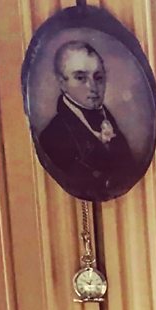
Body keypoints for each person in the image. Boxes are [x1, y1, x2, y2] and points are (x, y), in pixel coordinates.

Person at [36, 40, 135, 199]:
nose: (92, 87)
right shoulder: (52, 137)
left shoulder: (110, 123)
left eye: (98, 77)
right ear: (62, 83)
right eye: (81, 78)